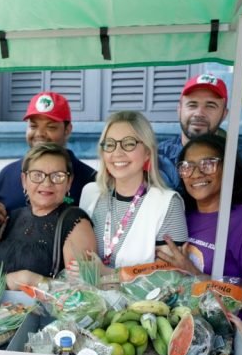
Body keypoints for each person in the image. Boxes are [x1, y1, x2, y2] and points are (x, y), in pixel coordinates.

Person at [155, 133, 242, 313]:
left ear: (228, 167)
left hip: (226, 332)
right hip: (174, 322)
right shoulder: (178, 215)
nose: (196, 173)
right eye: (187, 166)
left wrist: (196, 276)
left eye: (208, 164)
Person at [77, 110, 187, 272]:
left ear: (148, 153)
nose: (117, 153)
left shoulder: (167, 203)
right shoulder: (90, 193)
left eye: (129, 144)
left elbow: (170, 278)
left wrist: (110, 274)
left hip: (142, 299)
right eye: (110, 144)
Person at [0, 143, 97, 290]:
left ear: (68, 183)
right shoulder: (13, 218)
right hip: (1, 310)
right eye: (37, 175)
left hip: (44, 312)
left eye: (57, 176)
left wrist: (35, 281)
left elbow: (84, 293)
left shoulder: (75, 222)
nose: (47, 183)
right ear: (24, 180)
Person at [157, 73, 242, 196]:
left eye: (210, 106)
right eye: (192, 105)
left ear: (224, 114)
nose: (199, 113)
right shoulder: (156, 157)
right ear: (179, 109)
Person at [0, 91, 97, 215]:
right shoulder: (7, 175)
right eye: (33, 126)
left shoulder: (91, 180)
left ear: (67, 130)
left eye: (51, 127)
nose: (40, 134)